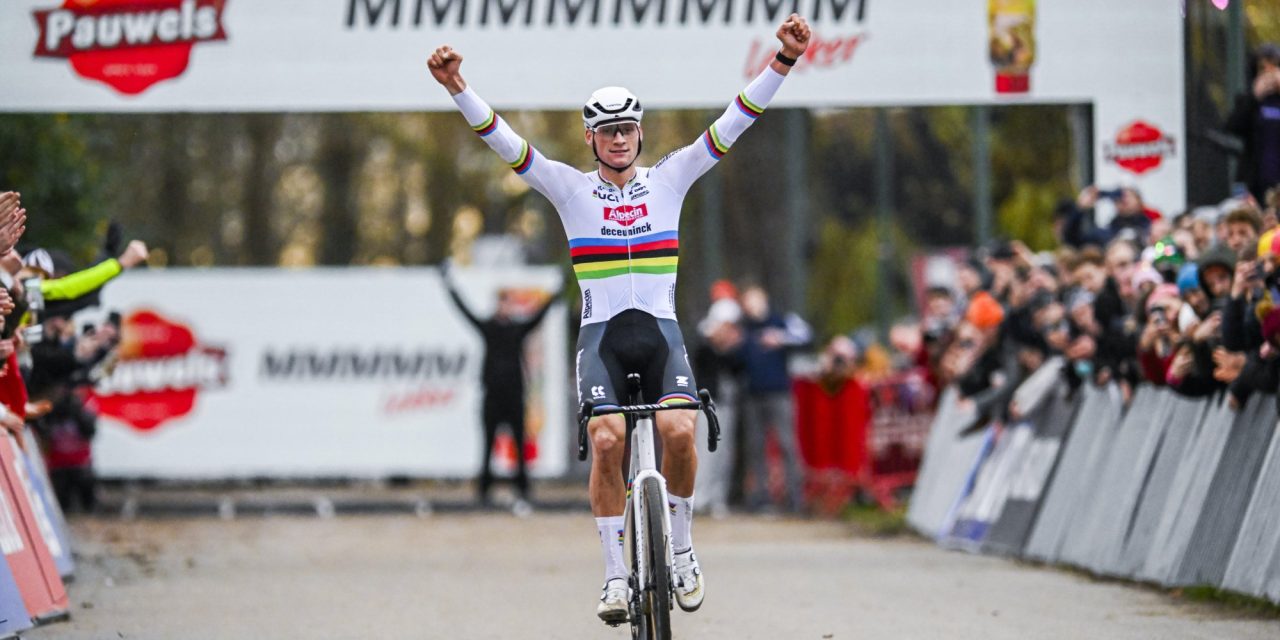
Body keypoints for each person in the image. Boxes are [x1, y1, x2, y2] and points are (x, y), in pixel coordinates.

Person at [428, 14, 812, 623]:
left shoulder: (672, 177)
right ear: (590, 138)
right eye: (607, 131)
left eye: (627, 129)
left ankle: (682, 548)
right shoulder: (569, 189)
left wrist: (783, 61)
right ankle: (613, 574)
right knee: (606, 440)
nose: (618, 139)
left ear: (639, 133)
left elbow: (735, 121)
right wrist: (457, 88)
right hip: (602, 338)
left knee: (682, 432)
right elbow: (505, 141)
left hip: (659, 333)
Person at [441, 263, 561, 510]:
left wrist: (556, 293)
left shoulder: (518, 329)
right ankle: (484, 491)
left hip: (515, 396)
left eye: (508, 303)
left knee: (519, 445)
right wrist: (449, 286)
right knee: (487, 446)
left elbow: (539, 315)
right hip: (492, 396)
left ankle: (523, 489)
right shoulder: (489, 328)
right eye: (502, 303)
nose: (505, 307)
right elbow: (464, 311)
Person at [736, 284, 811, 513]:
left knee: (787, 444)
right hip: (752, 394)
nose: (751, 305)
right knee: (755, 447)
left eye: (754, 300)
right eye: (747, 301)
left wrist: (782, 339)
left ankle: (795, 498)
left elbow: (806, 337)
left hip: (779, 393)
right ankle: (759, 497)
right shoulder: (743, 329)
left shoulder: (781, 321)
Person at [1225, 43, 1280, 203]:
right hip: (1255, 180)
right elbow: (1233, 126)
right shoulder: (1249, 101)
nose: (1269, 74)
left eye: (1274, 67)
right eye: (1263, 69)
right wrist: (1254, 96)